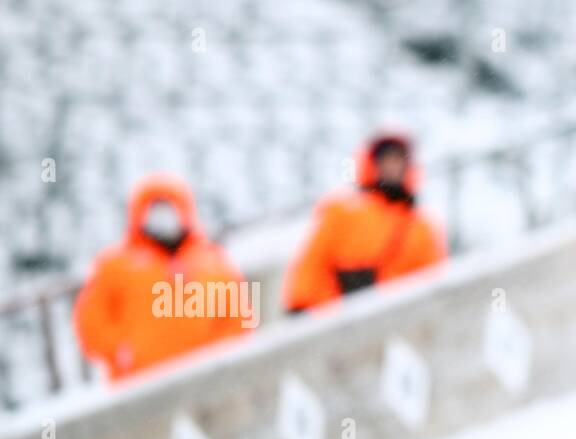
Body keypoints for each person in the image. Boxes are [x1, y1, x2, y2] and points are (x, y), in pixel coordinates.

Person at [74, 173, 251, 382]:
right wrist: (122, 352)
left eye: (170, 209)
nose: (164, 219)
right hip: (142, 386)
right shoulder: (115, 265)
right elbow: (90, 322)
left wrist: (223, 352)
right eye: (154, 211)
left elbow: (237, 314)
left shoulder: (211, 261)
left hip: (207, 380)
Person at [282, 131, 448, 313]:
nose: (392, 166)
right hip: (340, 316)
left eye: (398, 159)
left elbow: (432, 281)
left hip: (393, 319)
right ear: (373, 164)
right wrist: (302, 304)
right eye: (387, 159)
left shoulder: (421, 227)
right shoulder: (342, 210)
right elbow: (314, 262)